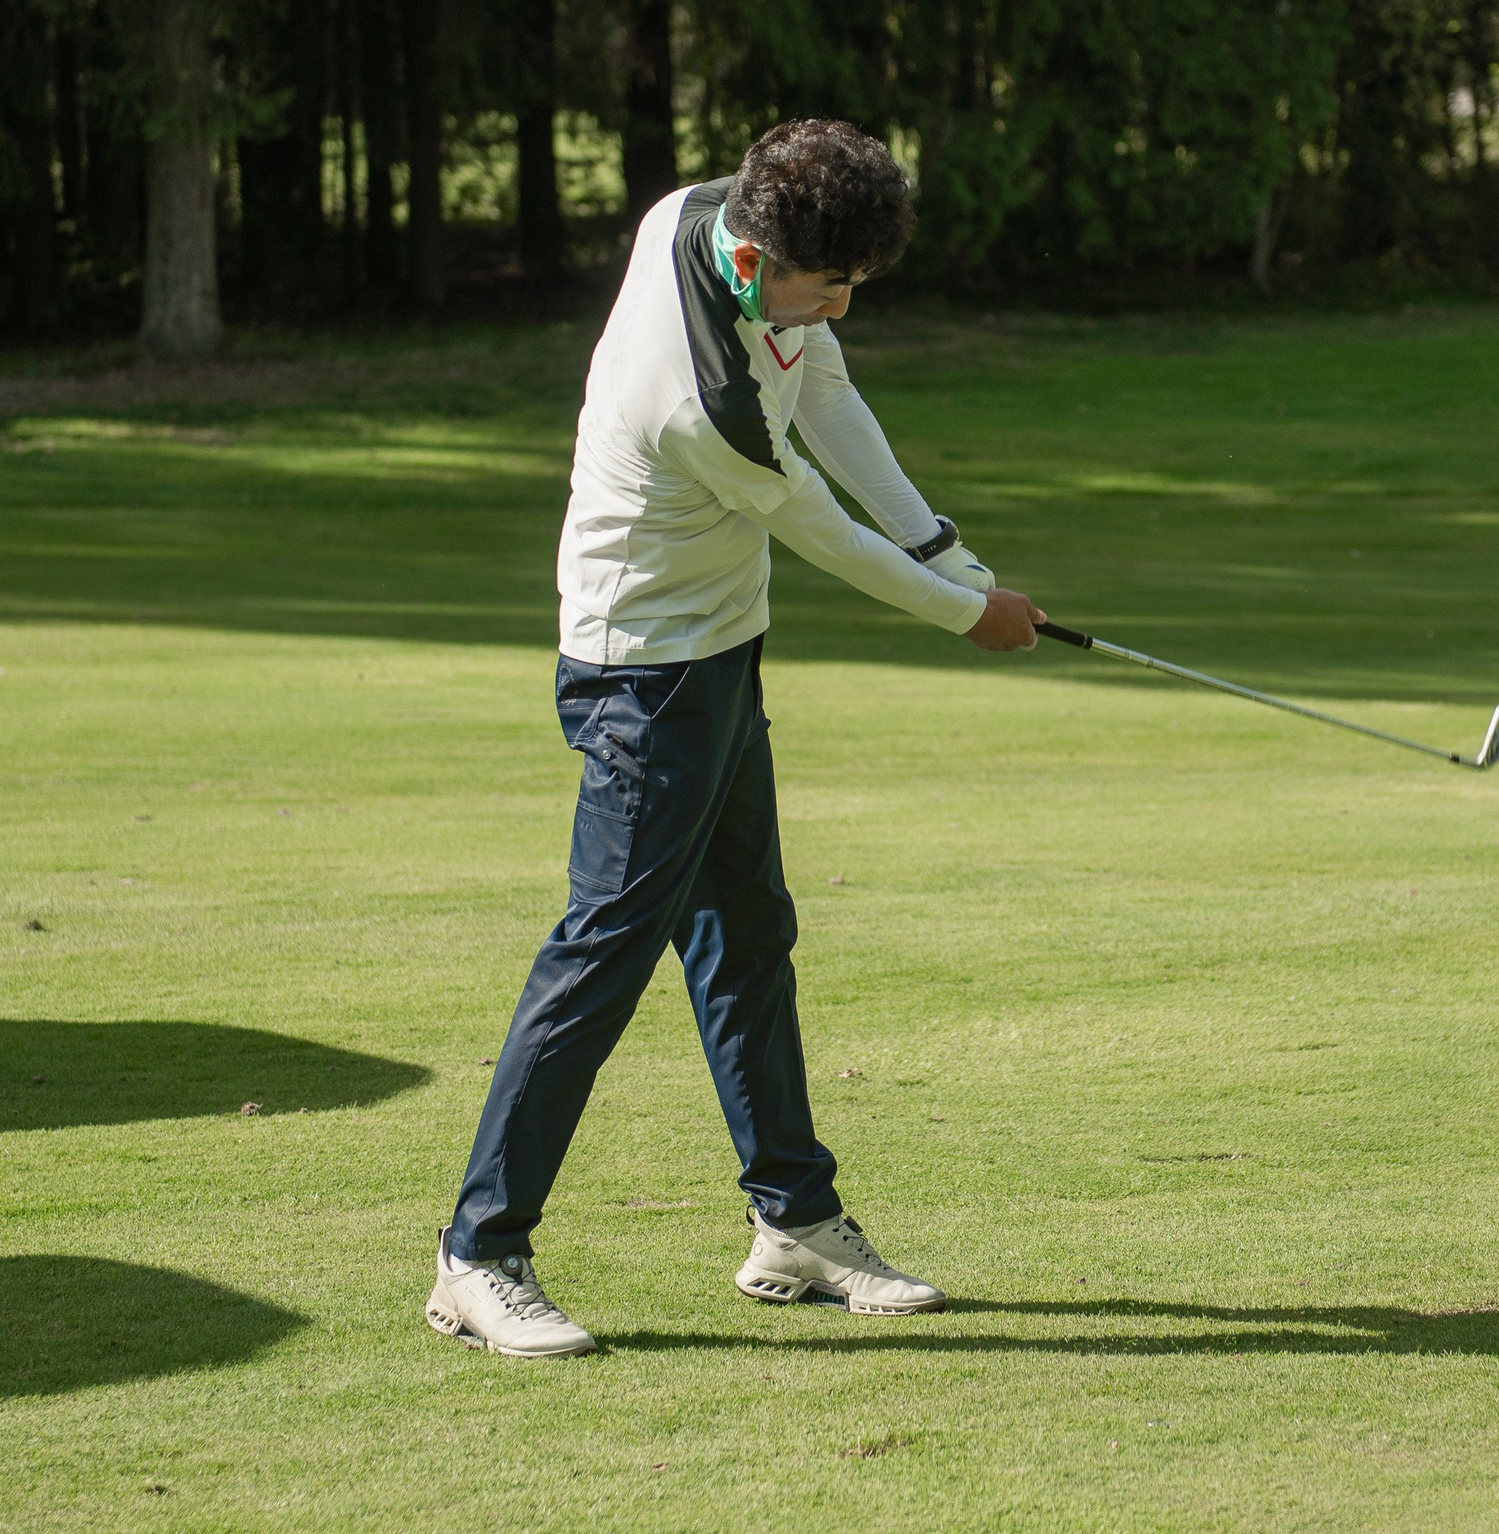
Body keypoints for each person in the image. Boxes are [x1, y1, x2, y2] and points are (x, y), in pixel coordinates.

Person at [424, 120, 1044, 1358]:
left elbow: (826, 384)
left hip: (715, 654)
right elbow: (816, 522)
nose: (845, 308)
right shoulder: (697, 396)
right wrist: (966, 611)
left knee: (748, 932)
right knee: (604, 951)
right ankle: (477, 1254)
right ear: (759, 265)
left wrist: (942, 544)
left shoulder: (709, 210)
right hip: (639, 675)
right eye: (830, 286)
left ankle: (795, 1220)